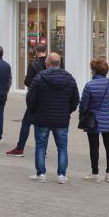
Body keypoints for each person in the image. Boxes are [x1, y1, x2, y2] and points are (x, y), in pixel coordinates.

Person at [26, 53, 79, 184]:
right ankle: (61, 175)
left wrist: (33, 112)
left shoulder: (39, 78)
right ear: (59, 63)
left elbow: (30, 98)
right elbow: (75, 100)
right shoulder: (70, 79)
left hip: (42, 118)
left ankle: (41, 174)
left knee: (40, 146)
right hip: (61, 119)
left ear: (47, 63)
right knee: (62, 147)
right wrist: (67, 112)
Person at [80, 58, 109, 183]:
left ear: (94, 71)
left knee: (94, 146)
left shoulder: (89, 85)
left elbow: (83, 106)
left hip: (94, 120)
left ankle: (95, 173)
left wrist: (83, 115)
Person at [6, 44, 48, 157]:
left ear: (36, 51)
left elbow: (28, 81)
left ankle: (20, 148)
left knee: (26, 123)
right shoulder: (50, 64)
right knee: (42, 125)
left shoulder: (33, 64)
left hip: (35, 99)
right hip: (48, 100)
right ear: (46, 51)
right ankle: (43, 150)